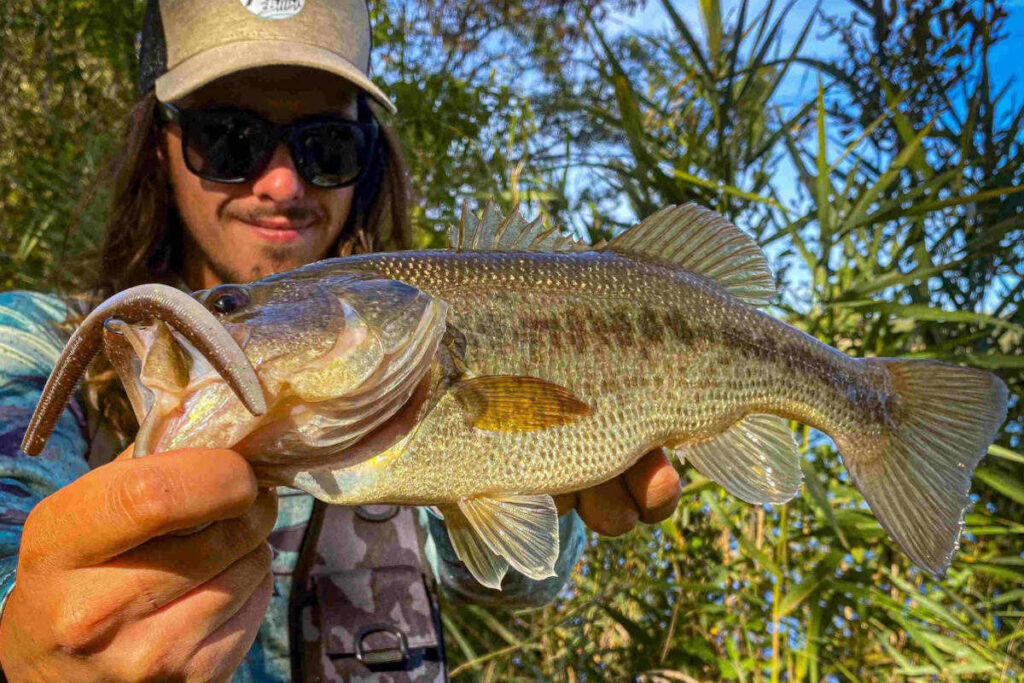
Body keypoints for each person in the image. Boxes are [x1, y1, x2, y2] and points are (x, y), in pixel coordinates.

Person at [0, 0, 683, 680]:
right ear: (161, 144)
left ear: (369, 163)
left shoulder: (417, 338)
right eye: (228, 138)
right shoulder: (30, 344)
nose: (282, 183)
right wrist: (22, 653)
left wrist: (560, 478)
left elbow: (517, 579)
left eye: (327, 147)